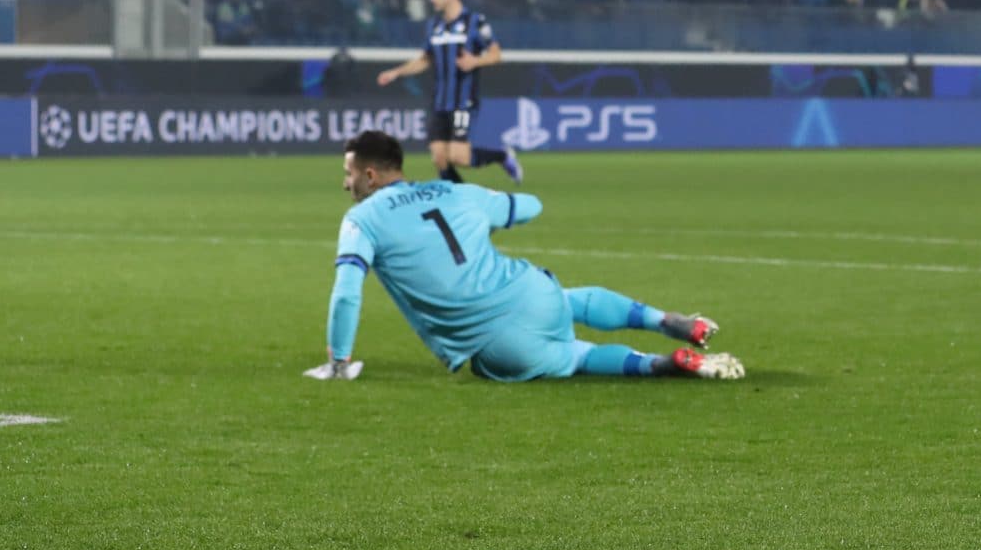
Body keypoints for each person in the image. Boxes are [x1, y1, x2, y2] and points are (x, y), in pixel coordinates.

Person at [308, 131, 743, 382]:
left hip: (497, 343)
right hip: (534, 292)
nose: (346, 184)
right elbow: (531, 206)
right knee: (570, 300)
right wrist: (487, 214)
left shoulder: (361, 220)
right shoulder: (456, 192)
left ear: (369, 175)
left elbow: (347, 293)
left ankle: (662, 364)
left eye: (348, 174)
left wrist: (339, 362)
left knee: (579, 356)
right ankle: (664, 320)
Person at [376, 0, 522, 184]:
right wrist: (396, 72)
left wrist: (475, 61)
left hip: (463, 102)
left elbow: (496, 54)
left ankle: (502, 156)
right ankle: (459, 198)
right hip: (440, 103)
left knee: (458, 156)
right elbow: (425, 60)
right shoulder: (434, 25)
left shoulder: (476, 22)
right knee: (439, 157)